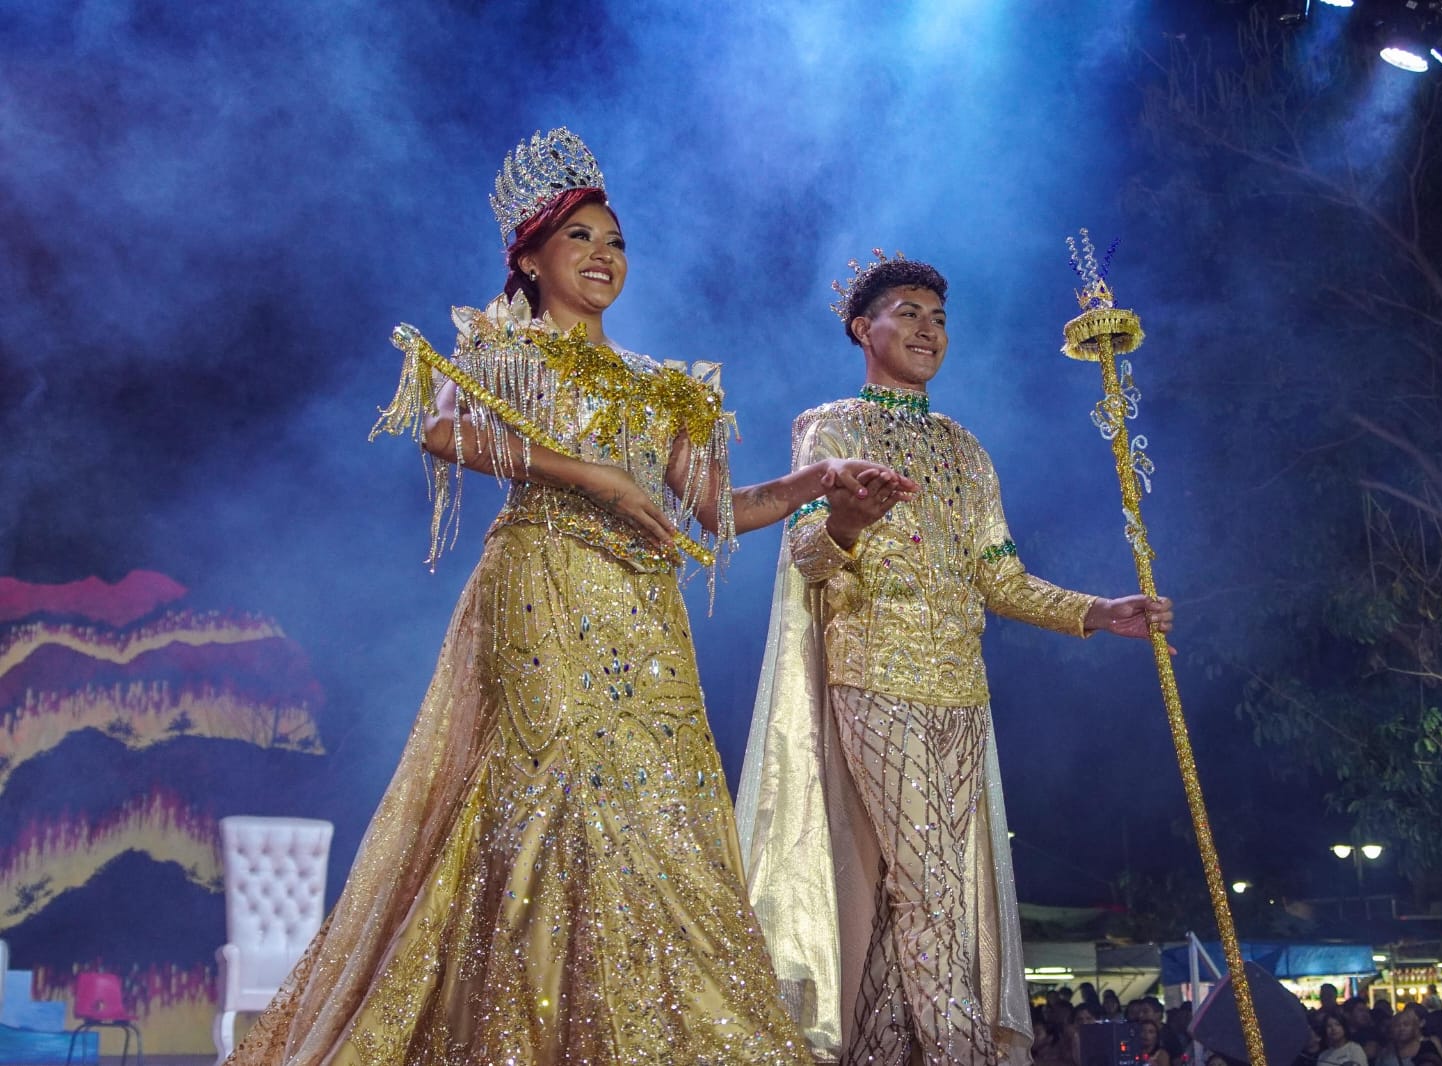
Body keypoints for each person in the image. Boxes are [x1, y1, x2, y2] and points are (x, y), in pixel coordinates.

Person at [224, 128, 913, 1066]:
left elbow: (718, 513)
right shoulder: (502, 349)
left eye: (616, 242)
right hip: (541, 591)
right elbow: (442, 431)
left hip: (645, 616)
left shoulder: (666, 386)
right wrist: (594, 477)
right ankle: (525, 1037)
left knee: (658, 819)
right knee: (548, 802)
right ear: (532, 257)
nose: (603, 256)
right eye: (582, 238)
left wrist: (818, 483)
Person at [735, 253, 1174, 1065]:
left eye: (939, 318)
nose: (929, 330)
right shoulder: (829, 425)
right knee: (933, 883)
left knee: (921, 893)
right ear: (863, 330)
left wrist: (1096, 611)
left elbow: (999, 578)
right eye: (908, 313)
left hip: (962, 693)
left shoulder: (966, 450)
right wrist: (847, 523)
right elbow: (805, 554)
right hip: (874, 674)